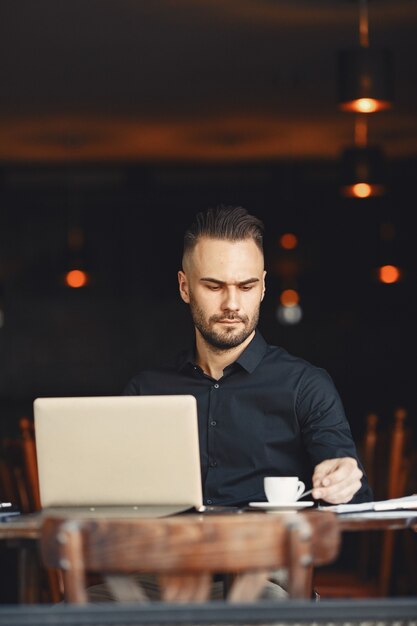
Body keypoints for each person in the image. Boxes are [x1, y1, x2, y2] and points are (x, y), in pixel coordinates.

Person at [125, 205, 372, 506]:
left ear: (264, 287)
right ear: (184, 287)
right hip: (174, 551)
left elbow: (355, 498)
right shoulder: (145, 391)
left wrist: (344, 480)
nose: (232, 303)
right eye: (214, 286)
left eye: (246, 286)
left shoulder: (306, 386)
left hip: (270, 552)